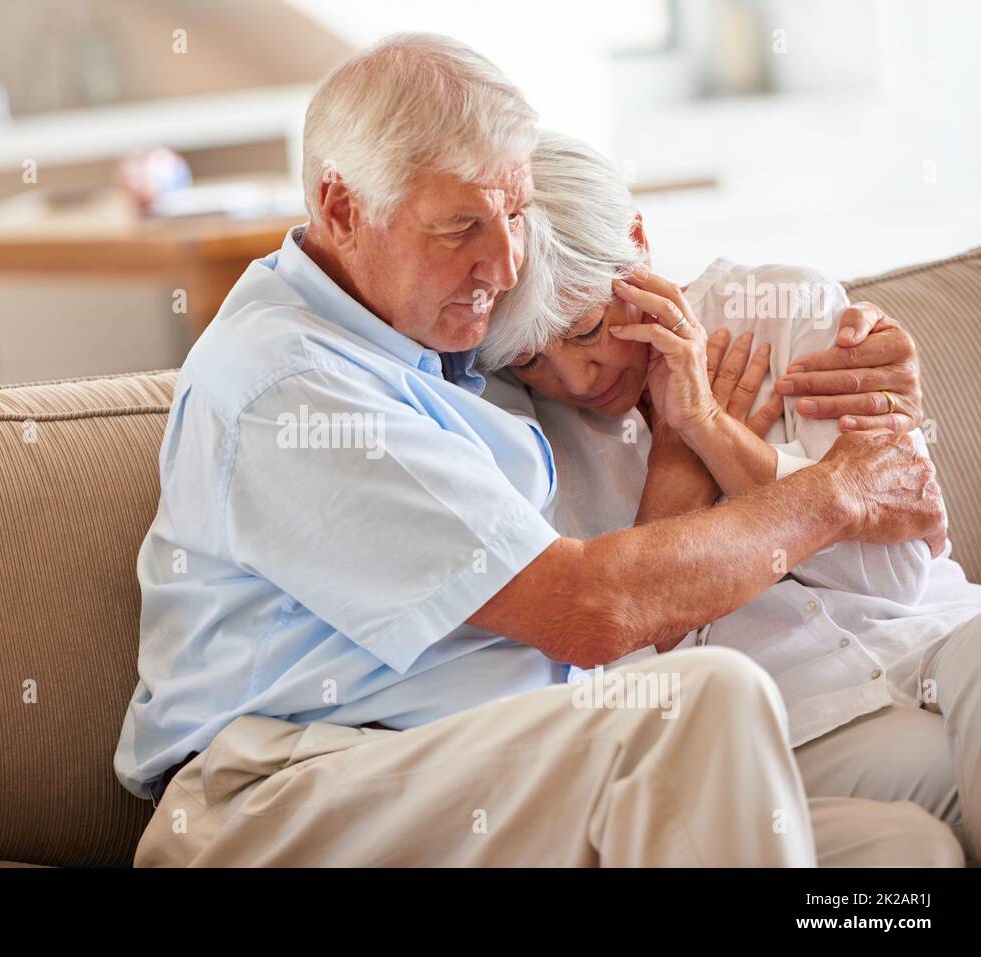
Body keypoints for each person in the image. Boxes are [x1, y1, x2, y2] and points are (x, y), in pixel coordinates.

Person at [115, 33, 957, 866]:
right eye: (460, 226)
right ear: (342, 210)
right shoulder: (289, 385)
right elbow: (591, 610)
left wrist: (870, 387)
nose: (505, 261)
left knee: (896, 852)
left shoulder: (437, 345)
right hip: (294, 789)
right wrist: (838, 491)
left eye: (512, 212)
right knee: (704, 701)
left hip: (496, 766)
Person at [480, 128, 981, 859]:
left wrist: (715, 431)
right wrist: (677, 471)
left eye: (589, 328)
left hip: (934, 645)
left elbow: (895, 574)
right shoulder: (520, 443)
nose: (578, 378)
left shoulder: (781, 306)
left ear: (638, 244)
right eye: (531, 361)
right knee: (911, 846)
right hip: (799, 724)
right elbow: (614, 690)